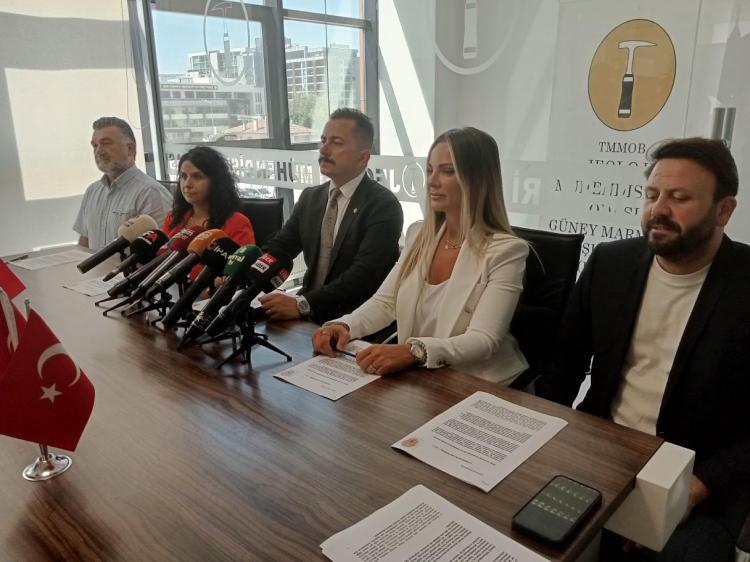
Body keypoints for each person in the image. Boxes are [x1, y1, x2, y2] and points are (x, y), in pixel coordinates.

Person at [535, 137, 750, 562]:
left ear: (724, 210)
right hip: (603, 447)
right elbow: (564, 365)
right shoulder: (609, 263)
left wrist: (697, 486)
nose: (658, 210)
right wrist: (540, 440)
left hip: (700, 471)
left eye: (679, 198)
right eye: (652, 195)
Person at [312, 127, 529, 384]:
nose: (432, 181)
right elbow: (386, 303)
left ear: (478, 179)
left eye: (447, 171)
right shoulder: (419, 235)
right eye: (430, 170)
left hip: (478, 381)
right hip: (423, 377)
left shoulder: (506, 251)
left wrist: (414, 351)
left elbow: (484, 339)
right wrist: (344, 326)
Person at [260, 108, 403, 324]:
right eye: (323, 141)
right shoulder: (310, 197)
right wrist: (244, 273)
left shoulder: (383, 205)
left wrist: (303, 304)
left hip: (353, 320)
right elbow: (280, 247)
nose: (323, 150)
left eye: (336, 143)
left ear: (362, 157)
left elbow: (363, 276)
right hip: (307, 313)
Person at [74, 117, 172, 250]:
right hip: (95, 265)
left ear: (130, 149)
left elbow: (162, 248)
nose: (98, 151)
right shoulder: (92, 190)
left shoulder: (151, 192)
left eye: (106, 143)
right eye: (95, 145)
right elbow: (85, 239)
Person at [163, 146, 255, 248]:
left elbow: (242, 257)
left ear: (216, 182)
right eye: (183, 176)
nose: (187, 184)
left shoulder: (237, 223)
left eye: (197, 177)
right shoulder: (173, 218)